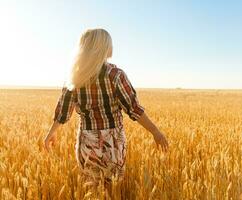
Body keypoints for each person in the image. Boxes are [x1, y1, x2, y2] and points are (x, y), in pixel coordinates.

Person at [43, 28, 169, 197]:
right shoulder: (115, 75)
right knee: (113, 189)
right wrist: (156, 132)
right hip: (113, 141)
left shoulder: (74, 77)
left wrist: (51, 132)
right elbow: (133, 108)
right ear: (103, 48)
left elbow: (64, 112)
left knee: (92, 189)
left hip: (87, 141)